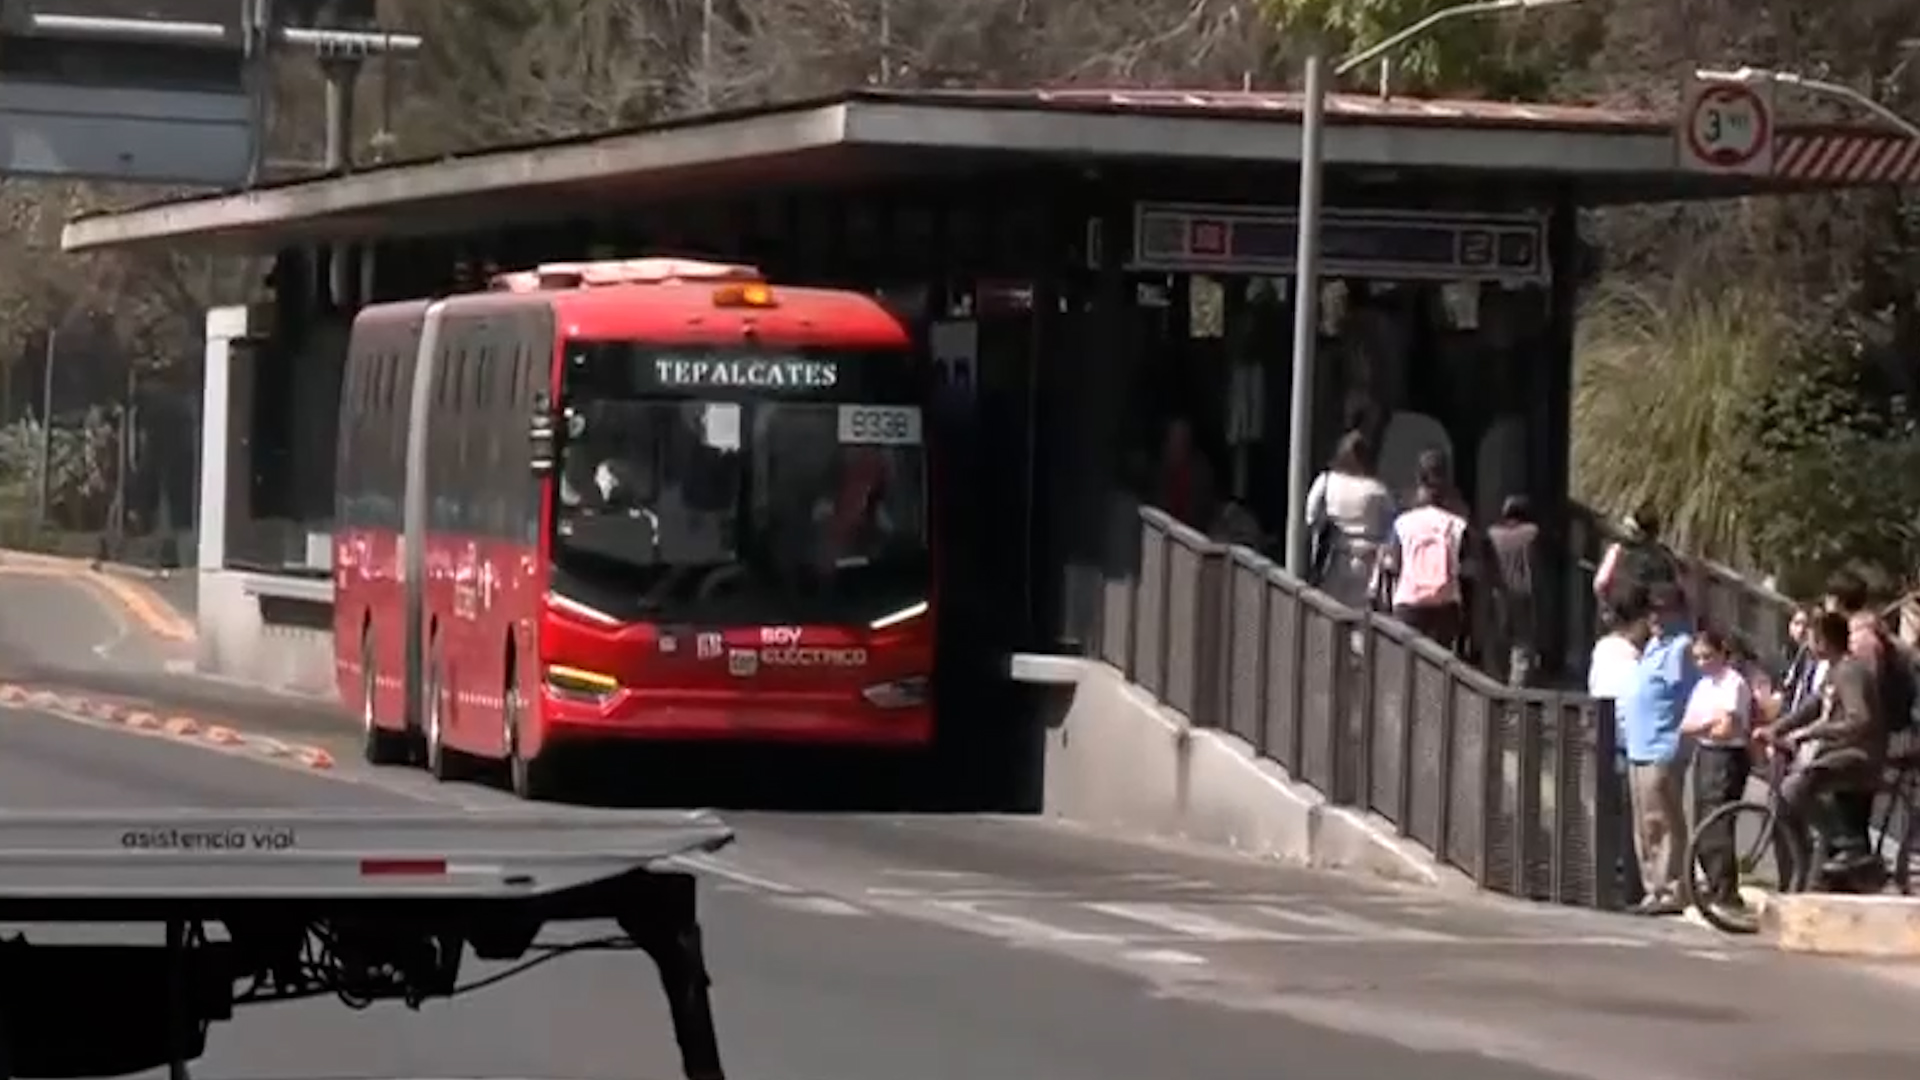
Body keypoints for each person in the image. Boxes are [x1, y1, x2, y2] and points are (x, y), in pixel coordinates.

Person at [1758, 610, 1887, 877]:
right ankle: (1830, 845)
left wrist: (1811, 733)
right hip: (1839, 752)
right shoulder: (1835, 671)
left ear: (1824, 641)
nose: (1808, 644)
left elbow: (1860, 720)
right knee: (1792, 790)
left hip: (1859, 754)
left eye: (1812, 638)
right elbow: (1811, 706)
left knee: (1794, 788)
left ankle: (1845, 842)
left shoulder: (1850, 671)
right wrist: (1776, 728)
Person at [1620, 583, 1698, 915]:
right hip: (1638, 745)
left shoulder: (1681, 649)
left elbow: (1689, 697)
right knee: (1644, 825)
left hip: (1662, 746)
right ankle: (1652, 886)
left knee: (1664, 821)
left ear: (1676, 612)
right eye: (1651, 610)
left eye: (1662, 610)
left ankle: (1672, 889)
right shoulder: (1653, 645)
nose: (1654, 616)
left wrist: (1679, 744)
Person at [1680, 628, 1753, 912]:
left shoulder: (1733, 684)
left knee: (1718, 822)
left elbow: (1726, 730)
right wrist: (1709, 723)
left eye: (1707, 656)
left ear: (1722, 653)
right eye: (1697, 658)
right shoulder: (1703, 686)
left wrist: (1708, 725)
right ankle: (1711, 882)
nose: (1702, 663)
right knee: (1701, 819)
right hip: (1705, 752)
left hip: (1727, 756)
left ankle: (1725, 890)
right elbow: (1686, 726)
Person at [1589, 593, 1651, 906]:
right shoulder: (1636, 658)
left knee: (1605, 807)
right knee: (1630, 813)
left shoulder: (1602, 648)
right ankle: (1630, 883)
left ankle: (1601, 872)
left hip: (1601, 731)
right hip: (1628, 738)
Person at [1378, 469, 1471, 650]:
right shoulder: (1458, 524)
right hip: (1446, 602)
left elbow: (1392, 564)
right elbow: (1467, 568)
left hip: (1408, 601)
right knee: (1441, 658)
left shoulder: (1402, 522)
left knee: (1407, 657)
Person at [1302, 430, 1394, 609]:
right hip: (1367, 560)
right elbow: (1390, 527)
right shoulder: (1378, 490)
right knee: (1361, 614)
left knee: (1329, 610)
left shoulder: (1326, 481)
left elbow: (1311, 517)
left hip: (1332, 558)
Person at [1486, 494, 1542, 687]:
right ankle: (1517, 686)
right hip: (1523, 591)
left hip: (1499, 592)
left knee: (1499, 636)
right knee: (1522, 641)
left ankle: (1496, 681)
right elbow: (1534, 561)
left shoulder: (1493, 533)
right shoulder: (1531, 532)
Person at [1593, 502, 1684, 614]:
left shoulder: (1618, 550)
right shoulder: (1664, 557)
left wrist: (1606, 606)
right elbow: (1674, 590)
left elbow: (1600, 584)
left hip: (1619, 614)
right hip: (1651, 617)